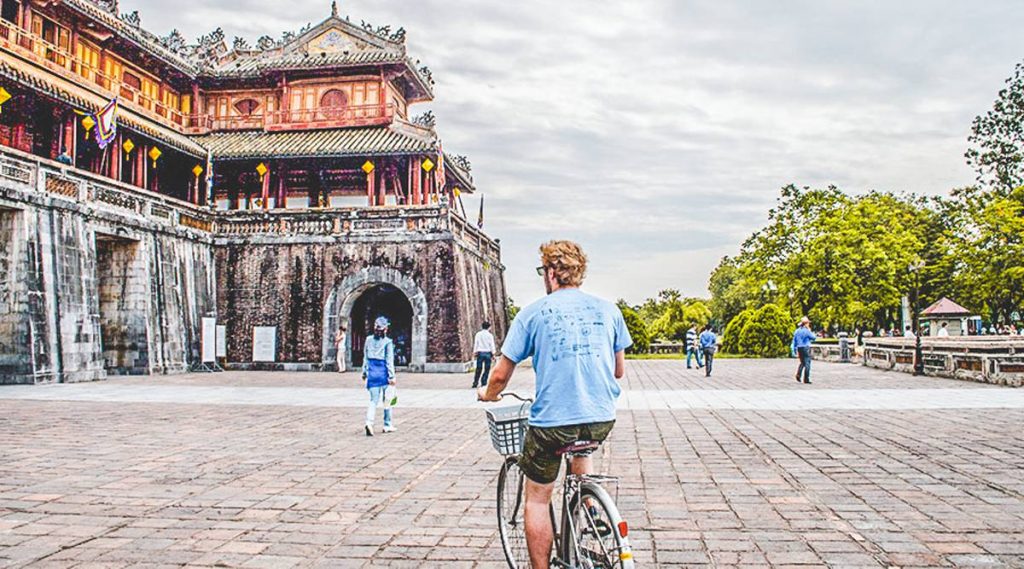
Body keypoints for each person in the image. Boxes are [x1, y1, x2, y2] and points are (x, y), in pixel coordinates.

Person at [478, 240, 630, 569]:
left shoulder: (532, 314)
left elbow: (501, 375)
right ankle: (589, 507)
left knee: (537, 498)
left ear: (550, 273)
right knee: (580, 448)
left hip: (552, 425)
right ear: (579, 273)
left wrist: (487, 395)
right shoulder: (609, 310)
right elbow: (618, 371)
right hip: (601, 418)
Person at [362, 316, 396, 436]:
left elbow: (365, 357)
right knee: (388, 400)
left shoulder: (368, 340)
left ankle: (369, 422)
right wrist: (392, 376)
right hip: (383, 372)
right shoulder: (388, 342)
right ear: (385, 329)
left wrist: (364, 372)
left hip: (372, 372)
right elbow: (389, 360)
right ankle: (387, 424)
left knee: (373, 401)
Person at [472, 321, 496, 388]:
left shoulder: (478, 334)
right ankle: (484, 382)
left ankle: (475, 382)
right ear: (489, 327)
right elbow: (492, 345)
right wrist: (493, 354)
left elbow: (476, 344)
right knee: (487, 368)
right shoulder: (490, 335)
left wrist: (475, 352)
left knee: (478, 368)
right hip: (488, 353)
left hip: (480, 353)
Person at [792, 316, 815, 384]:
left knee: (802, 362)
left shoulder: (797, 331)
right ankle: (806, 379)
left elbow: (794, 341)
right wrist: (809, 330)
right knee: (807, 362)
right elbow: (813, 337)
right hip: (805, 347)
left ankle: (798, 374)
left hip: (799, 348)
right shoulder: (806, 331)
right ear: (806, 324)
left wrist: (795, 349)